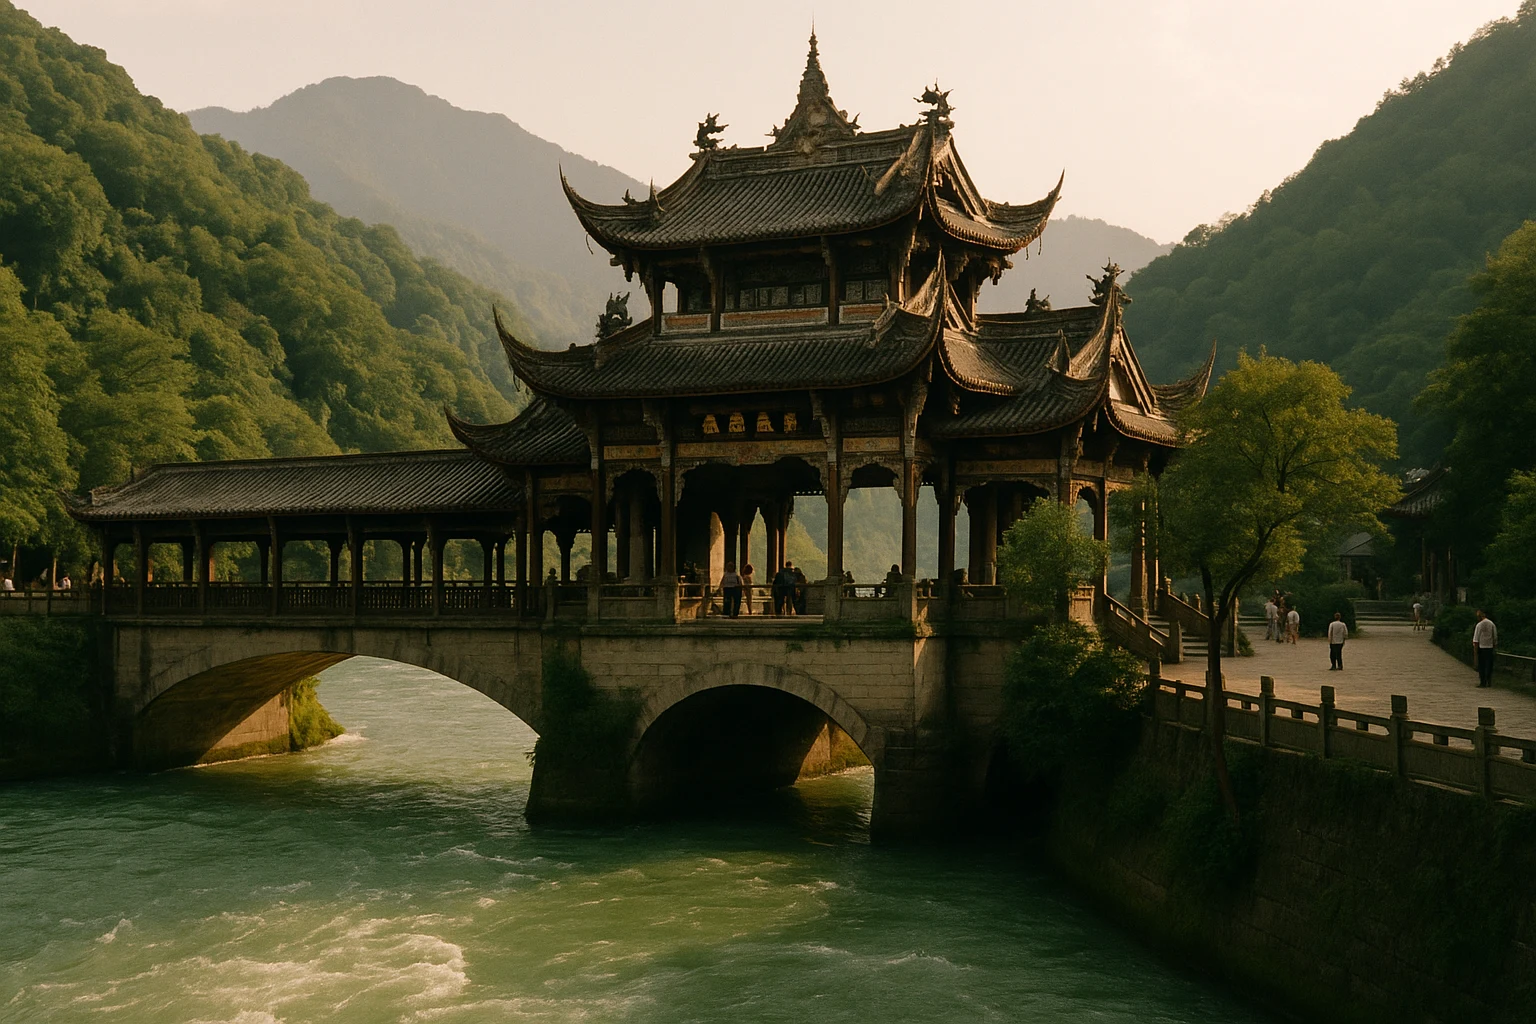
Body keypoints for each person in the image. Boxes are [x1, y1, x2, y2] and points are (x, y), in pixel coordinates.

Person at [1473, 609, 1498, 688]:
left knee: (1482, 665)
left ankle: (1483, 682)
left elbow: (1476, 638)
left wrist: (1475, 650)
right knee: (1489, 665)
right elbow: (1495, 636)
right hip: (1490, 647)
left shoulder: (1479, 625)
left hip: (1481, 647)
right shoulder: (1491, 624)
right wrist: (1494, 645)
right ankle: (1489, 680)